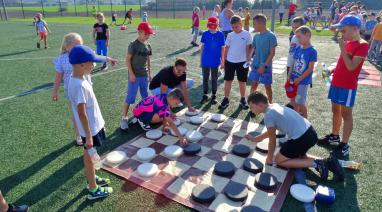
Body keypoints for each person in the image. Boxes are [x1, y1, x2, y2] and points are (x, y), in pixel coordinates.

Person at [245, 92, 345, 182]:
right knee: (298, 156)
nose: (251, 110)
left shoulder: (268, 116)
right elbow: (271, 131)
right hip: (311, 133)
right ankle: (329, 163)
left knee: (279, 160)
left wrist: (269, 159)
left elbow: (272, 140)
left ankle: (317, 163)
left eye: (252, 107)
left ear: (260, 105)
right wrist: (257, 139)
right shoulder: (274, 106)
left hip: (301, 139)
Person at [68, 45, 117, 200]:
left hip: (92, 128)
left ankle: (92, 179)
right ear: (82, 65)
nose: (94, 65)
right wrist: (89, 137)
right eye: (91, 63)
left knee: (89, 156)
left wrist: (107, 58)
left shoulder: (77, 77)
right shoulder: (79, 85)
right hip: (89, 131)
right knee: (89, 157)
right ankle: (93, 189)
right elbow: (82, 113)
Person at [319, 15, 369, 159]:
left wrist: (341, 48)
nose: (341, 34)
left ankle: (344, 144)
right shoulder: (347, 42)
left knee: (346, 115)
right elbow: (342, 63)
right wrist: (331, 71)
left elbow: (351, 66)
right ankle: (334, 136)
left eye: (344, 30)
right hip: (336, 82)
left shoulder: (362, 44)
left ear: (355, 29)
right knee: (335, 110)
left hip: (347, 86)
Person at [52, 33, 90, 146]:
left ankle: (92, 129)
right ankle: (78, 134)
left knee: (89, 110)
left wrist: (106, 59)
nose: (79, 48)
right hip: (72, 92)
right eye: (76, 46)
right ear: (67, 47)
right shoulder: (62, 59)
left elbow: (94, 60)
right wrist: (55, 92)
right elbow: (58, 77)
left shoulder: (84, 55)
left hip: (85, 88)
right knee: (76, 113)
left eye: (80, 46)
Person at [120, 22, 154, 131]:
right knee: (130, 97)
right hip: (134, 76)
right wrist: (131, 74)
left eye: (149, 34)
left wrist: (149, 74)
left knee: (146, 96)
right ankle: (124, 118)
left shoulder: (148, 46)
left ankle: (144, 115)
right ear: (139, 32)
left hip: (144, 76)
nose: (148, 36)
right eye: (146, 34)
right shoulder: (133, 44)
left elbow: (148, 60)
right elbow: (127, 59)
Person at [218, 15, 252, 110]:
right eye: (232, 27)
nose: (234, 29)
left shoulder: (247, 34)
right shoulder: (230, 35)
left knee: (242, 81)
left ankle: (242, 99)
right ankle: (226, 99)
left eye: (236, 27)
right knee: (228, 80)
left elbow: (249, 48)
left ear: (241, 24)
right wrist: (223, 61)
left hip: (242, 62)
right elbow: (226, 48)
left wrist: (248, 59)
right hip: (230, 62)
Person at [287, 26, 317, 118]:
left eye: (299, 37)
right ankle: (296, 120)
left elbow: (310, 69)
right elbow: (294, 63)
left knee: (300, 102)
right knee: (294, 101)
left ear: (307, 35)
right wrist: (289, 75)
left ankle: (305, 122)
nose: (297, 39)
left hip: (302, 83)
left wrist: (299, 79)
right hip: (294, 79)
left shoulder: (312, 51)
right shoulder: (298, 48)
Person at [249, 14, 277, 103]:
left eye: (254, 24)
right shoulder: (256, 36)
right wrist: (248, 59)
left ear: (262, 24)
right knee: (253, 85)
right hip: (255, 65)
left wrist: (264, 66)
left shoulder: (271, 36)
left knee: (267, 87)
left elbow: (272, 53)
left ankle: (270, 105)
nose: (253, 26)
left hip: (266, 66)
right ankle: (251, 104)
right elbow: (253, 49)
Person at [200, 16, 225, 104]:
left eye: (213, 25)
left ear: (217, 25)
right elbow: (202, 48)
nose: (212, 27)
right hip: (205, 60)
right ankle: (205, 94)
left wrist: (223, 61)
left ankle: (214, 95)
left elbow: (222, 49)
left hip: (215, 60)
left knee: (214, 78)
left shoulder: (220, 34)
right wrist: (200, 60)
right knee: (205, 78)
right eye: (210, 25)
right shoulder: (205, 34)